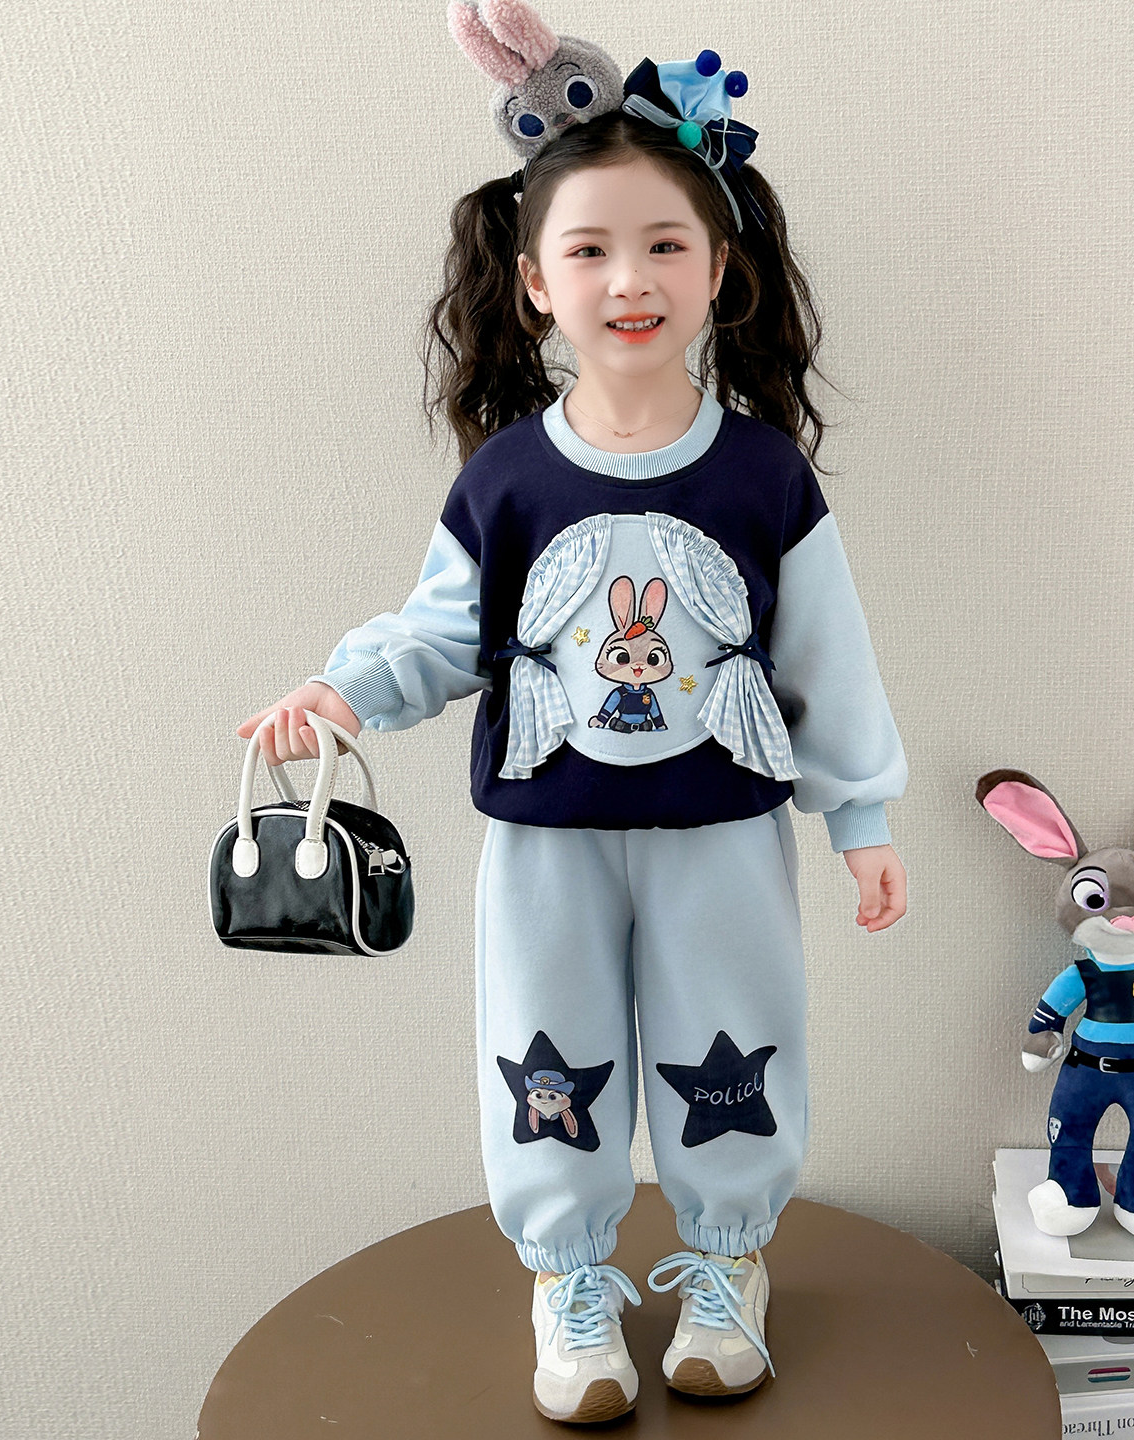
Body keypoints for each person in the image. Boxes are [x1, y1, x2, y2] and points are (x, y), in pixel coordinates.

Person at [236, 32, 907, 1427]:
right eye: (591, 251)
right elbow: (440, 632)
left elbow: (825, 658)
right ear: (537, 282)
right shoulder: (508, 479)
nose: (630, 279)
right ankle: (571, 1281)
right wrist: (343, 693)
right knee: (546, 1051)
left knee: (738, 1038)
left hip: (723, 834)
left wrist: (862, 815)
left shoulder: (763, 476)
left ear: (718, 269)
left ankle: (727, 1263)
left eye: (665, 246)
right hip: (546, 840)